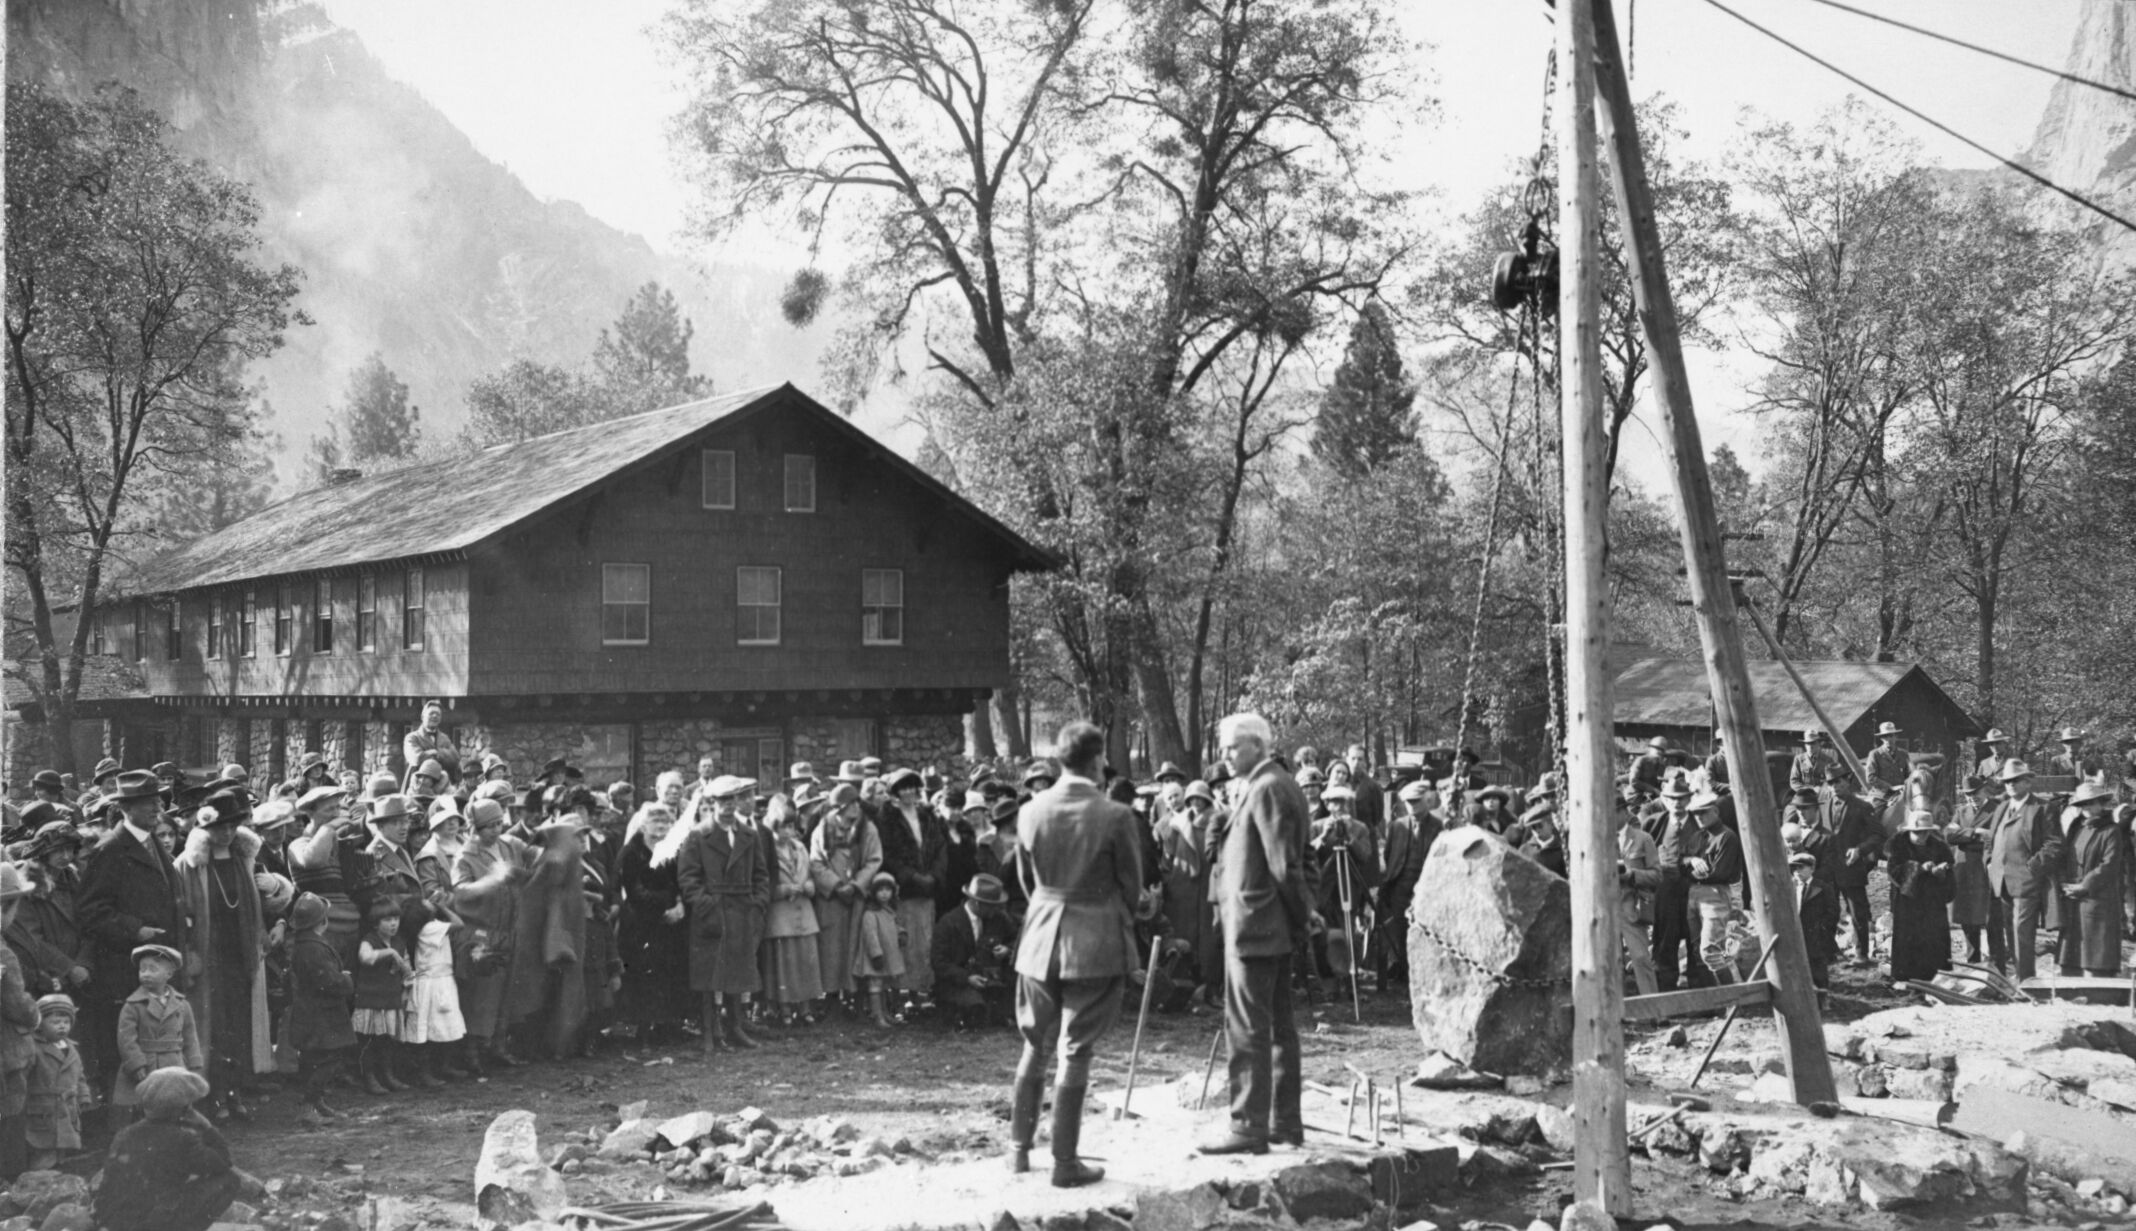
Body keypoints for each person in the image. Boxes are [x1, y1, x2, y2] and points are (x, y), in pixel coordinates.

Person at [1007, 721, 1141, 1187]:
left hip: (1041, 935)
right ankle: (1065, 1162)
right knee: (1076, 1048)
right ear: (1097, 759)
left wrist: (1048, 908)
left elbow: (1027, 880)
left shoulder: (1030, 811)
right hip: (1094, 939)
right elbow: (1132, 886)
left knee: (1035, 1044)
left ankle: (1018, 1151)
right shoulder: (1115, 815)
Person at [1201, 713, 1311, 1158]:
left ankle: (1248, 1126)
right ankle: (1284, 1123)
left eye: (1231, 746)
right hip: (1266, 925)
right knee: (1278, 1027)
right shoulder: (1269, 784)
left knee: (1247, 1028)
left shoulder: (1268, 787)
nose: (1224, 755)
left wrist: (1304, 918)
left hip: (1256, 927)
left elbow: (1285, 864)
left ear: (1256, 746)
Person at [77, 769, 188, 1108]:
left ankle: (155, 1117)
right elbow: (91, 911)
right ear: (126, 807)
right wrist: (134, 929)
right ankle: (127, 1128)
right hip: (126, 970)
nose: (157, 807)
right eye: (147, 802)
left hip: (158, 965)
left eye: (157, 800)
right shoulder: (111, 849)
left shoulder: (151, 842)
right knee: (129, 1050)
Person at [172, 788, 272, 1122]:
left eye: (233, 825)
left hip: (239, 952)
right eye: (220, 827)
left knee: (239, 1025)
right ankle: (213, 1096)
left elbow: (260, 902)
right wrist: (189, 953)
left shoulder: (245, 858)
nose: (226, 833)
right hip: (210, 953)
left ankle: (235, 1091)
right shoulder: (191, 864)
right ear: (206, 828)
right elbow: (181, 912)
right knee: (212, 1025)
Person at [95, 1066, 249, 1231]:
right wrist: (207, 1127)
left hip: (113, 1220)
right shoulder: (182, 1139)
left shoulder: (124, 1133)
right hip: (152, 1222)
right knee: (228, 1180)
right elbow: (223, 1162)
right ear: (183, 1108)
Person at [678, 777, 769, 1053]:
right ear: (712, 803)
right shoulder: (697, 835)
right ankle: (708, 1031)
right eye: (723, 801)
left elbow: (761, 875)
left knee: (738, 972)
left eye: (733, 800)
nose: (729, 807)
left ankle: (735, 1028)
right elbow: (687, 878)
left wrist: (757, 902)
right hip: (712, 913)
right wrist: (706, 904)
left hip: (742, 912)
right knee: (710, 976)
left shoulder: (749, 836)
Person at [505, 800, 597, 1061]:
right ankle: (550, 1046)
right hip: (553, 934)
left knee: (560, 989)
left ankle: (558, 1046)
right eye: (577, 836)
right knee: (552, 989)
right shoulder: (558, 858)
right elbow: (540, 891)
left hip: (562, 931)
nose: (581, 841)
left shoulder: (562, 858)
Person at [451, 799, 528, 1073]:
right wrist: (492, 880)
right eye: (489, 826)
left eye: (499, 823)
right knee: (482, 994)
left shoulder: (507, 846)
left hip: (508, 929)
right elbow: (460, 892)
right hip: (481, 932)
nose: (496, 830)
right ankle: (473, 1052)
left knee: (506, 990)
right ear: (475, 828)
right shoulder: (466, 855)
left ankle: (498, 1046)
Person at [616, 803, 691, 1043]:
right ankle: (643, 1029)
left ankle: (667, 1025)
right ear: (643, 825)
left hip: (669, 923)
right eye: (655, 822)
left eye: (665, 822)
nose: (661, 827)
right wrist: (665, 907)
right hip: (641, 923)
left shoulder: (671, 850)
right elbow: (636, 891)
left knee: (668, 972)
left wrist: (680, 905)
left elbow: (677, 881)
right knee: (643, 975)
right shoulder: (631, 852)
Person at [875, 768, 948, 1014]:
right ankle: (902, 995)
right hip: (905, 890)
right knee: (905, 941)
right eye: (902, 788)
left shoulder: (927, 816)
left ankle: (921, 993)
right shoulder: (888, 818)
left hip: (927, 890)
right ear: (895, 792)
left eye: (911, 787)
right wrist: (912, 877)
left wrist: (934, 876)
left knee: (925, 941)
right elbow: (889, 855)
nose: (908, 792)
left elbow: (939, 847)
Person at [1984, 761, 2061, 981]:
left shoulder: (2043, 808)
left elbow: (2054, 844)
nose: (2010, 785)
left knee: (2022, 934)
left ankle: (2026, 983)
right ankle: (2017, 979)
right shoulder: (2001, 808)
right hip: (2001, 882)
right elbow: (1991, 840)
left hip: (2026, 883)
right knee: (2010, 933)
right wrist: (1989, 862)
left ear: (2028, 782)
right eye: (2007, 781)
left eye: (2016, 780)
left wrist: (2032, 868)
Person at [810, 785, 881, 1016]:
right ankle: (831, 998)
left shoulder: (867, 828)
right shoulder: (823, 827)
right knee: (831, 949)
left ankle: (856, 999)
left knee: (856, 947)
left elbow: (874, 860)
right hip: (831, 899)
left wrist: (857, 884)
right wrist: (835, 885)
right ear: (839, 808)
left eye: (857, 803)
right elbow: (816, 862)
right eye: (850, 805)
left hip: (857, 898)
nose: (855, 808)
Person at [285, 892, 356, 1120]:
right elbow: (328, 982)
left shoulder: (303, 945)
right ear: (322, 922)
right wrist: (345, 979)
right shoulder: (314, 948)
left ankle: (316, 1103)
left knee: (315, 1060)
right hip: (323, 1016)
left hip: (312, 1013)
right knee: (328, 1060)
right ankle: (309, 1105)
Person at [113, 944, 202, 1114]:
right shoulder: (133, 1006)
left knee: (177, 1110)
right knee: (147, 1110)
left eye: (152, 969)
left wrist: (194, 1062)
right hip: (147, 1065)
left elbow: (190, 1036)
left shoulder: (182, 1005)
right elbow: (126, 1039)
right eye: (142, 969)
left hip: (174, 1063)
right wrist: (136, 1064)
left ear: (169, 974)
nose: (145, 974)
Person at [762, 797, 825, 1026]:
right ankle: (785, 1009)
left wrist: (809, 886)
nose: (788, 832)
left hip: (804, 912)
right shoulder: (767, 850)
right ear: (773, 827)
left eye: (791, 826)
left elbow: (809, 873)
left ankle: (806, 1007)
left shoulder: (799, 847)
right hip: (781, 915)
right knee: (785, 964)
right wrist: (783, 889)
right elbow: (764, 883)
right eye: (783, 827)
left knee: (805, 962)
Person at [2057, 781, 2125, 977]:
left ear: (2101, 804)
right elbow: (2065, 856)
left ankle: (2099, 987)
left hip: (2097, 897)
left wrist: (2085, 885)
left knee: (2096, 950)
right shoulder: (2076, 827)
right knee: (2073, 949)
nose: (2086, 808)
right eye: (2082, 804)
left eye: (2091, 803)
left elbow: (2109, 864)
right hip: (2073, 896)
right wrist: (2064, 882)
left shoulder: (2111, 830)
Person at [1376, 781, 1438, 994]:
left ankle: (1420, 974)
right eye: (1408, 802)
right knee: (1399, 929)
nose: (1412, 806)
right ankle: (1403, 971)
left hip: (1426, 887)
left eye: (1416, 802)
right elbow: (1388, 854)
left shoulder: (1438, 827)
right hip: (1399, 885)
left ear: (1427, 801)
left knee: (1423, 930)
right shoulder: (1397, 826)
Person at [397, 898, 467, 1084]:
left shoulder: (433, 926)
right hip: (432, 984)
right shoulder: (429, 929)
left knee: (444, 1026)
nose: (429, 901)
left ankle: (443, 1067)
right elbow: (459, 924)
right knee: (427, 1030)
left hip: (441, 981)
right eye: (425, 902)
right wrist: (442, 906)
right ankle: (424, 1072)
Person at [1818, 768, 1882, 966]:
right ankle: (1829, 953)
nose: (1835, 786)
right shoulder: (1823, 806)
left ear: (1848, 780)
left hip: (1851, 867)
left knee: (1857, 912)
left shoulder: (1862, 807)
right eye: (1831, 783)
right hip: (1828, 869)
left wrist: (1860, 850)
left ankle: (1862, 955)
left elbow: (1878, 835)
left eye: (1838, 782)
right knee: (1828, 911)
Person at [0, 863, 41, 1175]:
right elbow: (16, 1003)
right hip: (8, 1052)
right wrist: (36, 1015)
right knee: (12, 1120)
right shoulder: (4, 954)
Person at [933, 873, 1015, 1028]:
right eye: (993, 905)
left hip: (993, 981)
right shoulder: (948, 923)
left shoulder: (999, 918)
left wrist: (1008, 949)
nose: (997, 909)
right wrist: (967, 977)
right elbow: (939, 962)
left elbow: (1017, 938)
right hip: (959, 983)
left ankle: (999, 1013)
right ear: (977, 903)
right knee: (975, 1009)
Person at [350, 901, 412, 1096]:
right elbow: (366, 958)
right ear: (376, 923)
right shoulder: (369, 940)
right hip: (371, 1000)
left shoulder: (400, 942)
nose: (393, 924)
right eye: (387, 920)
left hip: (391, 998)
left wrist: (407, 983)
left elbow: (407, 970)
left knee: (387, 1041)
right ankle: (369, 1078)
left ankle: (388, 1075)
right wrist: (391, 953)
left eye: (396, 919)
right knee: (370, 1040)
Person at [1682, 791, 1744, 984]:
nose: (1699, 817)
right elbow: (1681, 859)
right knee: (1697, 949)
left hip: (1715, 894)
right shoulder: (1698, 836)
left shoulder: (1727, 837)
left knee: (1710, 951)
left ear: (1715, 811)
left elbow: (1719, 873)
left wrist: (1687, 871)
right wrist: (1691, 860)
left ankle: (1732, 999)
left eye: (1703, 812)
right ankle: (1717, 1001)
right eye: (1696, 813)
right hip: (1694, 893)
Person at [1884, 812, 1953, 984]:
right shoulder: (1897, 845)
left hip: (1932, 901)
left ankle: (1936, 977)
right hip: (1908, 901)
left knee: (1934, 937)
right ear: (1909, 831)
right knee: (1909, 938)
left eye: (1926, 832)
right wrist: (1918, 868)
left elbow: (1950, 869)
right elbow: (1894, 872)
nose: (1923, 836)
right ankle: (1906, 977)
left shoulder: (1939, 846)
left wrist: (1942, 872)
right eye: (1918, 832)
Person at [1646, 774, 1701, 991]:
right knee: (1665, 942)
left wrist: (1689, 861)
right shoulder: (1655, 823)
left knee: (1694, 939)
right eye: (1671, 798)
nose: (1676, 803)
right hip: (1665, 893)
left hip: (1692, 891)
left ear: (1689, 800)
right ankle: (1666, 992)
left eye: (1681, 798)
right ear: (1664, 800)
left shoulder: (1700, 823)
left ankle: (1699, 997)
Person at [1945, 775, 2004, 967]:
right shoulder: (1961, 811)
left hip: (1986, 868)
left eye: (1975, 793)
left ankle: (1996, 963)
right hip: (1964, 870)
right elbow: (1950, 836)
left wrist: (1966, 836)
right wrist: (1976, 833)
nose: (1972, 798)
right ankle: (1973, 963)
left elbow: (1996, 837)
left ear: (1985, 790)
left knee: (1991, 918)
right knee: (1967, 918)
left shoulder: (1996, 810)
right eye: (1968, 795)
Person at [22, 994, 87, 1169]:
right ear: (40, 1024)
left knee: (61, 1153)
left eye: (66, 1022)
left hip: (67, 1108)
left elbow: (79, 1075)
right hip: (43, 1109)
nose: (62, 1026)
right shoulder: (33, 1048)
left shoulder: (71, 1047)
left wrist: (83, 1096)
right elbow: (22, 1076)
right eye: (55, 1022)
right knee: (43, 1154)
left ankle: (57, 1188)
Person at [1614, 797, 1662, 996]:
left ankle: (1655, 1011)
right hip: (1605, 910)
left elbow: (1657, 875)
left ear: (1625, 812)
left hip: (1632, 909)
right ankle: (1615, 1014)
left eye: (1615, 811)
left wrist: (1632, 875)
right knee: (1610, 963)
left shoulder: (1643, 839)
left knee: (1641, 958)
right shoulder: (1596, 840)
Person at [852, 872, 905, 1027]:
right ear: (874, 893)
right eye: (880, 890)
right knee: (875, 984)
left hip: (888, 955)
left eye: (887, 890)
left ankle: (885, 1013)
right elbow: (871, 936)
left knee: (883, 986)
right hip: (875, 957)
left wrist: (902, 933)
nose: (884, 893)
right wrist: (876, 954)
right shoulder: (870, 913)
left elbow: (895, 926)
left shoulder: (890, 912)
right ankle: (877, 1016)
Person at [402, 701, 463, 788]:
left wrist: (436, 752)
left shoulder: (445, 738)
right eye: (431, 713)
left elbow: (455, 758)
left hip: (442, 786)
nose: (435, 716)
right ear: (422, 717)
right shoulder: (412, 738)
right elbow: (417, 758)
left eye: (438, 714)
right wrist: (444, 755)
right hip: (418, 786)